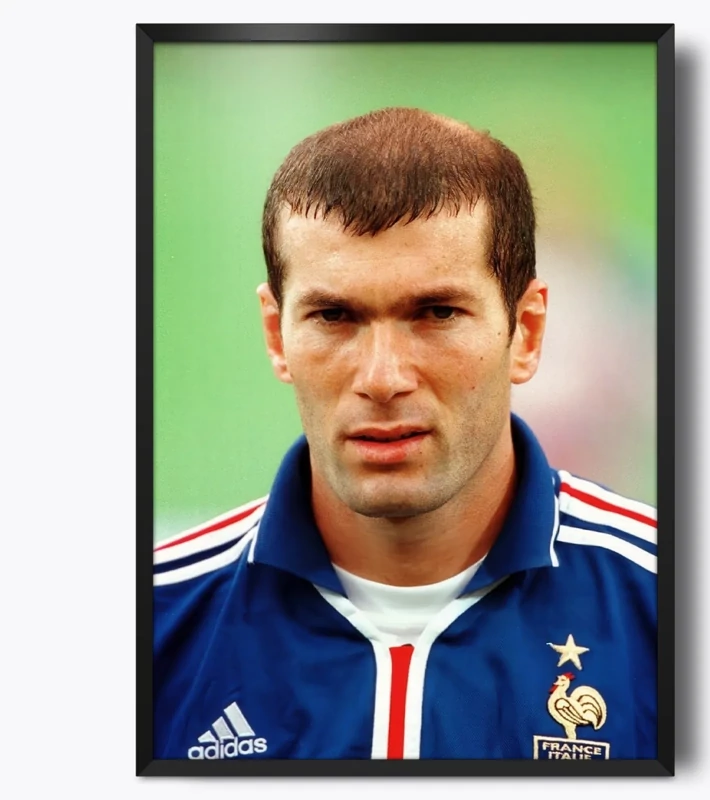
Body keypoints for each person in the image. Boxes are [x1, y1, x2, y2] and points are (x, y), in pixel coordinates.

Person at [152, 107, 657, 761]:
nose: (383, 378)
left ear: (527, 332)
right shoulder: (155, 622)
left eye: (437, 313)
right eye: (333, 316)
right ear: (276, 335)